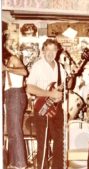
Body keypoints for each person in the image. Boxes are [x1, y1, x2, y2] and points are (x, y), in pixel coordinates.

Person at [26, 39, 77, 169]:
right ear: (43, 51)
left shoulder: (60, 67)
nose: (50, 53)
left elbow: (68, 86)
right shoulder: (38, 66)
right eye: (47, 49)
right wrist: (50, 94)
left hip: (57, 108)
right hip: (42, 107)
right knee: (43, 142)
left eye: (53, 50)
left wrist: (72, 75)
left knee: (60, 142)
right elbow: (30, 88)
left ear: (57, 51)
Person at [2, 33, 28, 169]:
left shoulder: (12, 58)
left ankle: (20, 164)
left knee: (15, 130)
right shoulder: (7, 60)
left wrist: (7, 69)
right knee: (12, 130)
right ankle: (14, 162)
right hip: (10, 94)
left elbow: (24, 72)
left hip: (15, 94)